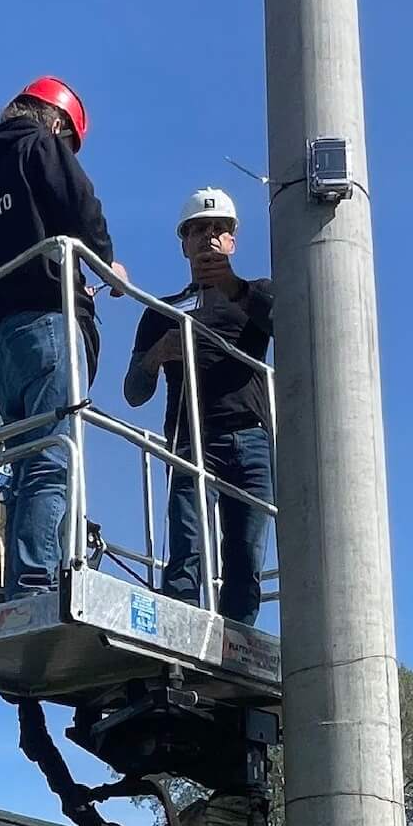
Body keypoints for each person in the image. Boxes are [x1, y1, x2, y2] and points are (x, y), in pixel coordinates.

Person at [0, 76, 127, 597]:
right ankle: (36, 583)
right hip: (49, 326)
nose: (68, 151)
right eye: (69, 141)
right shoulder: (40, 146)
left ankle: (18, 582)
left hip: (1, 346)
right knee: (53, 458)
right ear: (56, 122)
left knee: (27, 461)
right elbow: (79, 202)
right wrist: (104, 260)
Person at [123, 188, 274, 626]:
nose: (209, 237)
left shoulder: (256, 296)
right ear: (184, 242)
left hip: (251, 438)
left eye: (219, 229)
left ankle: (238, 646)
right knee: (187, 549)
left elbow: (292, 325)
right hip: (190, 440)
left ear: (232, 242)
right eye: (199, 230)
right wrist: (157, 355)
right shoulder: (161, 311)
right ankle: (180, 635)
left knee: (245, 555)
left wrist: (232, 288)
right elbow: (134, 392)